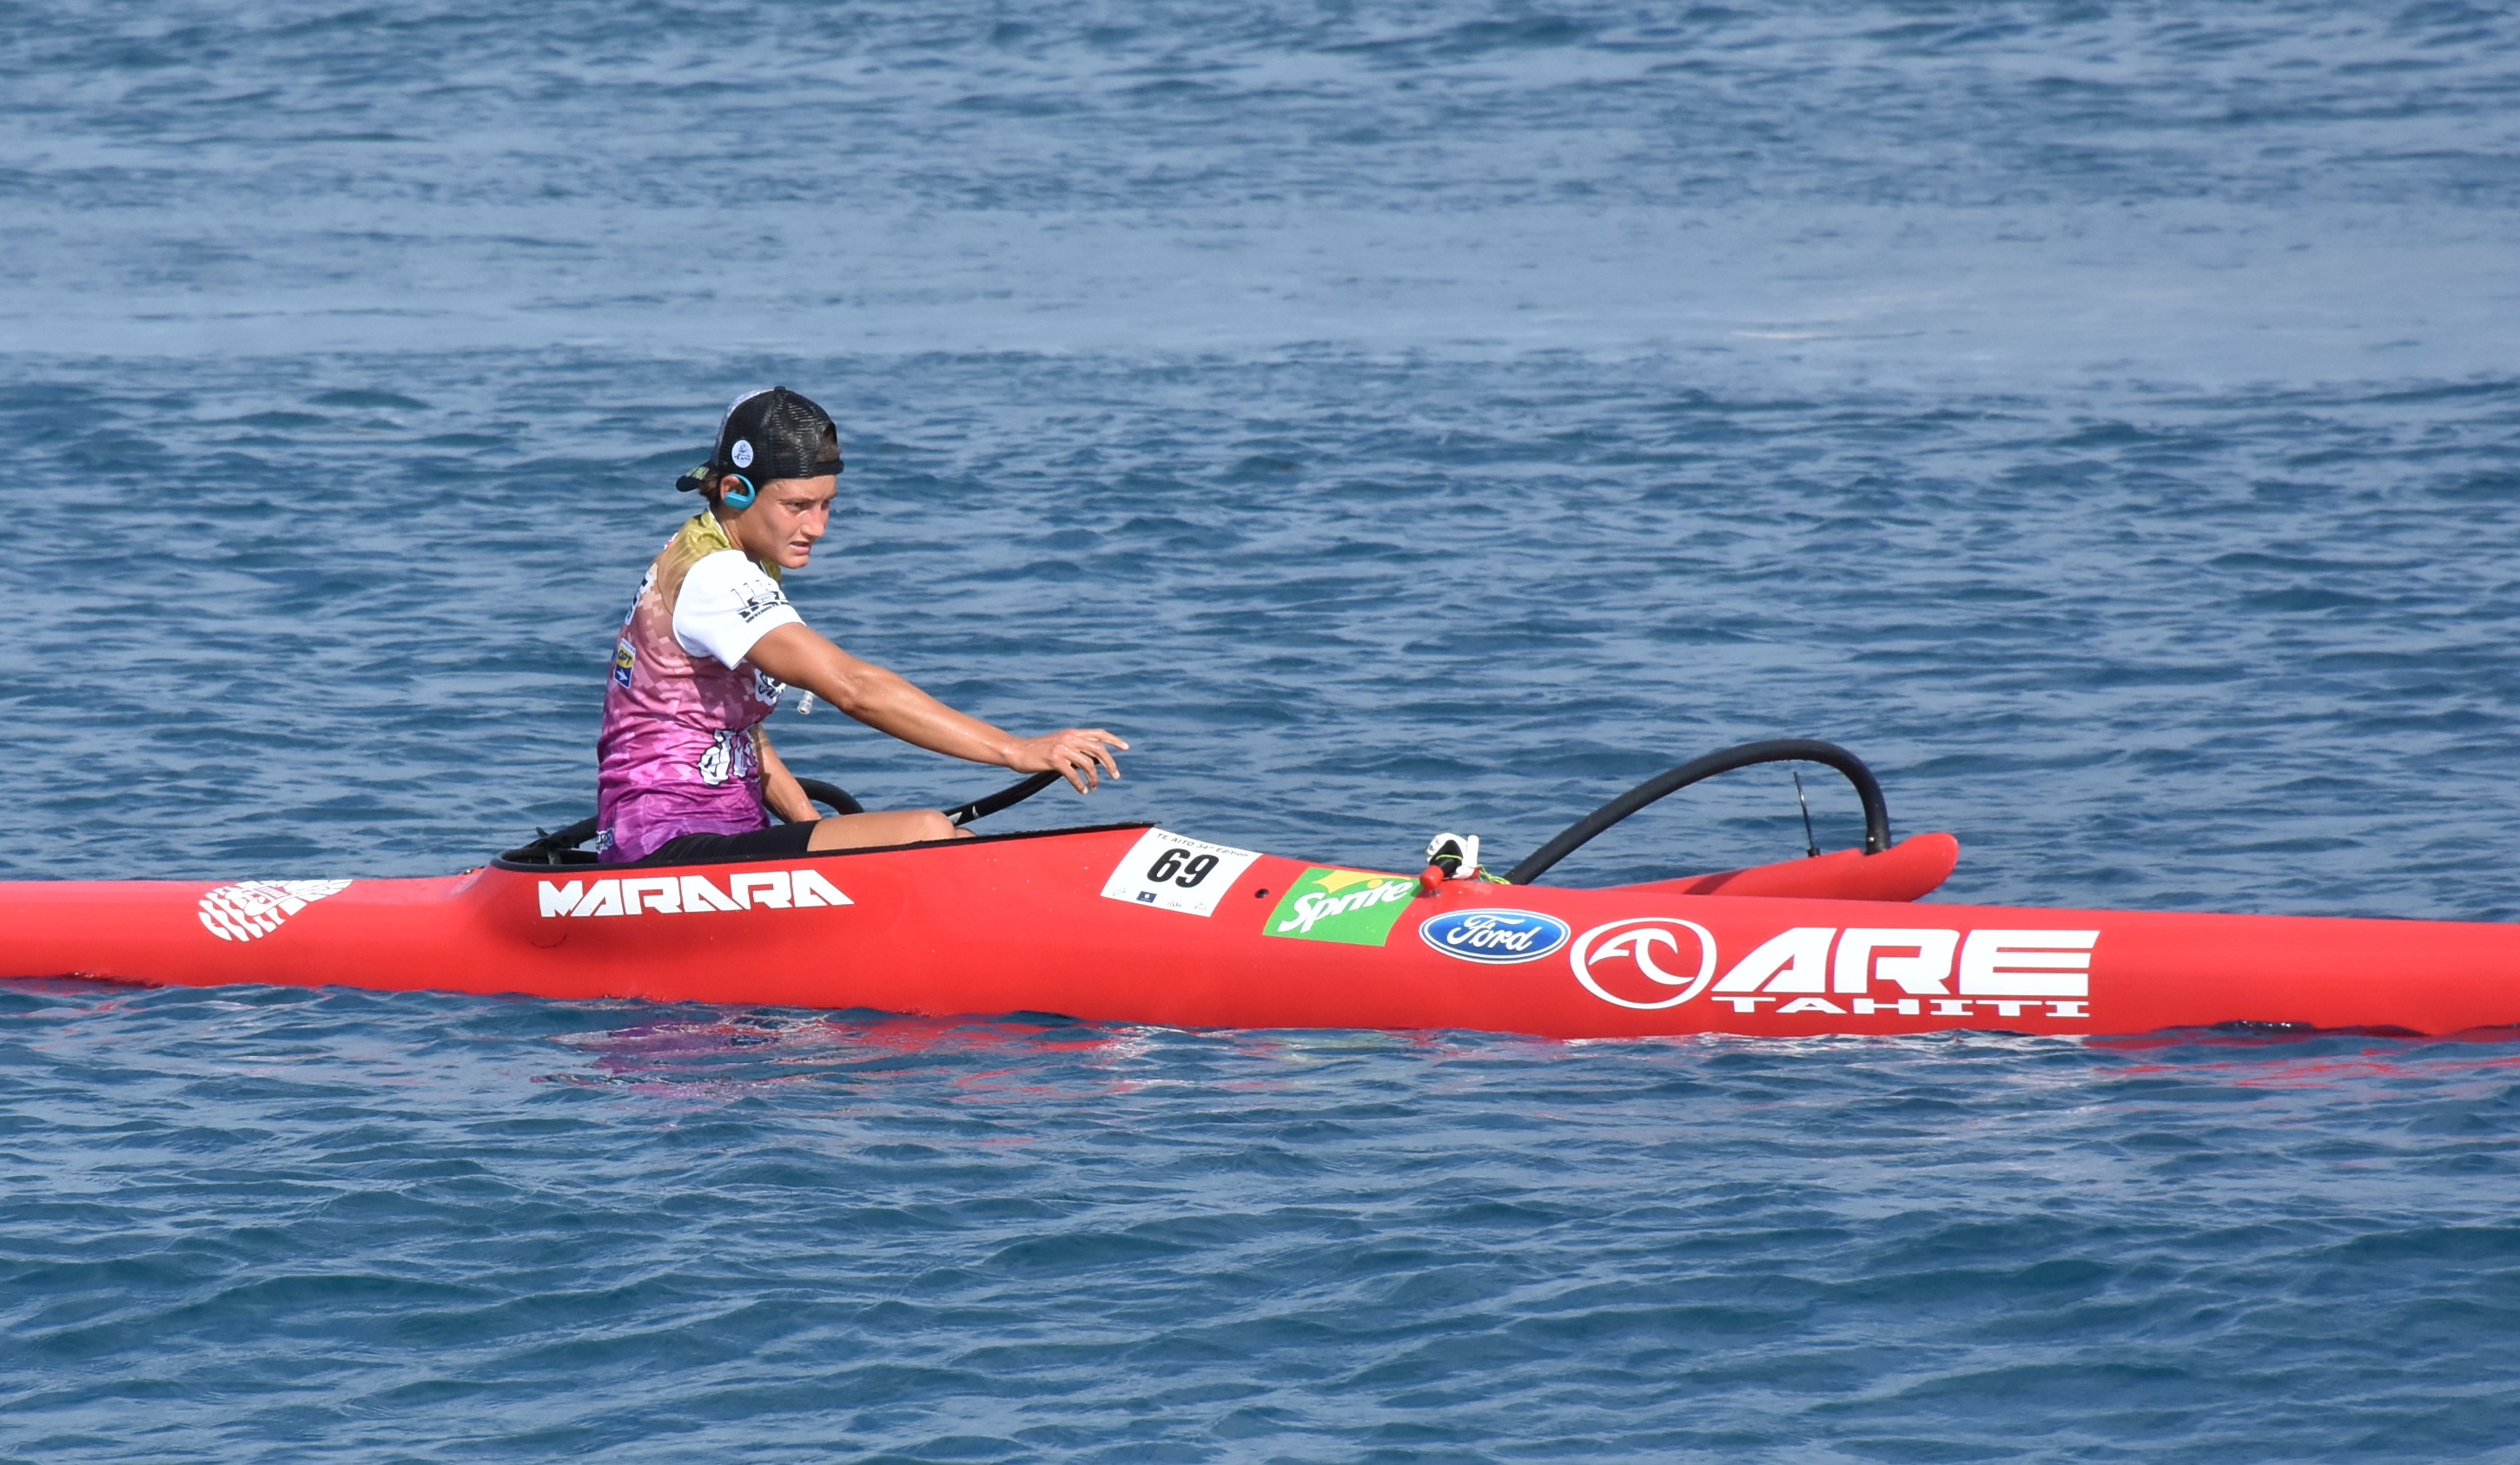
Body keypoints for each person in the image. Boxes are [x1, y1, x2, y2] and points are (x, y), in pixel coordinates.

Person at [594, 386, 1124, 865]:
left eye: (827, 505)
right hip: (664, 842)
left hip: (723, 833)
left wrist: (813, 832)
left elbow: (738, 732)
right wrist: (1016, 750)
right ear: (734, 490)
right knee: (927, 831)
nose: (818, 527)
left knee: (955, 851)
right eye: (798, 506)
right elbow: (852, 688)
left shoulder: (735, 558)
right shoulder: (714, 577)